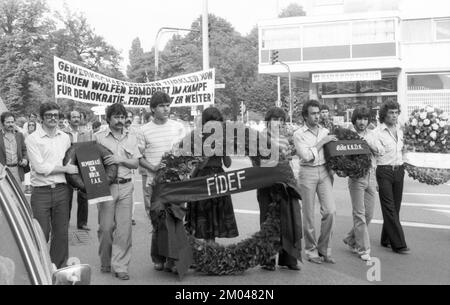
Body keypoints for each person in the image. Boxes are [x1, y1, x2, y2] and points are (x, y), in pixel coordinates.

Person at [25, 102, 78, 268]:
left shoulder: (65, 138)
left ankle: (58, 269)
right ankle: (39, 269)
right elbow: (40, 168)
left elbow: (72, 161)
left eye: (56, 115)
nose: (53, 118)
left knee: (61, 234)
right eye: (49, 115)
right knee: (41, 234)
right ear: (42, 118)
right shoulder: (32, 139)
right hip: (41, 192)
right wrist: (65, 169)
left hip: (63, 190)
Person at [138, 92, 186, 273]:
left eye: (168, 105)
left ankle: (174, 259)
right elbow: (138, 157)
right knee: (157, 220)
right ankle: (158, 257)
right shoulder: (143, 130)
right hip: (153, 183)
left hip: (176, 182)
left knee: (175, 218)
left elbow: (186, 152)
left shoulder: (178, 127)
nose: (166, 109)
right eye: (161, 106)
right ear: (152, 109)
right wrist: (154, 168)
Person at [93, 103, 142, 280]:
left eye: (122, 117)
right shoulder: (98, 138)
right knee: (106, 228)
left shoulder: (131, 137)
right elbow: (91, 165)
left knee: (124, 229)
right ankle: (106, 261)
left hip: (127, 186)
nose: (121, 120)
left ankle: (120, 266)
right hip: (106, 188)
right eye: (117, 117)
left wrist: (119, 159)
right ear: (108, 119)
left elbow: (136, 163)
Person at [256, 107, 301, 271]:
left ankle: (288, 258)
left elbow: (287, 162)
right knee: (267, 220)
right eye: (275, 119)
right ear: (268, 120)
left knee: (286, 220)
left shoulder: (284, 139)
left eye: (281, 120)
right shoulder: (258, 138)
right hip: (265, 185)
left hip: (283, 184)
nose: (278, 123)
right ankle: (268, 258)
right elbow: (256, 162)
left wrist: (286, 156)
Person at [186, 107, 239, 244]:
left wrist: (224, 150)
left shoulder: (223, 138)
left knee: (216, 211)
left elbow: (227, 164)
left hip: (219, 176)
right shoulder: (198, 138)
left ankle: (211, 243)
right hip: (202, 177)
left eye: (218, 122)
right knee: (203, 212)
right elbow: (200, 165)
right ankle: (200, 246)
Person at [294, 100, 337, 264]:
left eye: (318, 113)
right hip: (307, 173)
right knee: (309, 215)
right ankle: (311, 251)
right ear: (305, 116)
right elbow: (306, 156)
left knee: (330, 211)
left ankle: (324, 249)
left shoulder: (325, 131)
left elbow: (331, 152)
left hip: (325, 172)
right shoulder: (299, 134)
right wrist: (321, 142)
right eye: (313, 113)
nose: (317, 116)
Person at [343, 106, 384, 261]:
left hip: (371, 176)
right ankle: (363, 249)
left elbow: (381, 151)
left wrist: (367, 143)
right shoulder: (348, 135)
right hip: (356, 177)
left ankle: (350, 238)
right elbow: (342, 155)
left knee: (369, 214)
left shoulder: (372, 134)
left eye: (365, 119)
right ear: (355, 119)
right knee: (359, 214)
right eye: (359, 118)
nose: (362, 122)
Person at [375, 100, 410, 254]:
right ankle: (399, 244)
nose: (394, 115)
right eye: (391, 113)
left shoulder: (401, 131)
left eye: (396, 112)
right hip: (384, 171)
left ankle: (386, 239)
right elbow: (376, 153)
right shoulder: (377, 132)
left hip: (399, 171)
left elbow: (403, 151)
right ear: (384, 114)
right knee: (389, 208)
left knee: (395, 208)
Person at [64, 110, 94, 231]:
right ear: (69, 119)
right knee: (67, 196)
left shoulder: (86, 133)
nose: (76, 119)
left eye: (78, 117)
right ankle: (65, 222)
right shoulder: (63, 133)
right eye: (73, 117)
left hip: (82, 167)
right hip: (68, 167)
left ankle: (82, 223)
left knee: (83, 196)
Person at [0, 112, 28, 187]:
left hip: (17, 170)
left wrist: (25, 159)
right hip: (3, 171)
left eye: (12, 122)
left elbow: (24, 150)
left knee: (18, 194)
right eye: (8, 122)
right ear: (2, 123)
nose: (10, 124)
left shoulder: (19, 135)